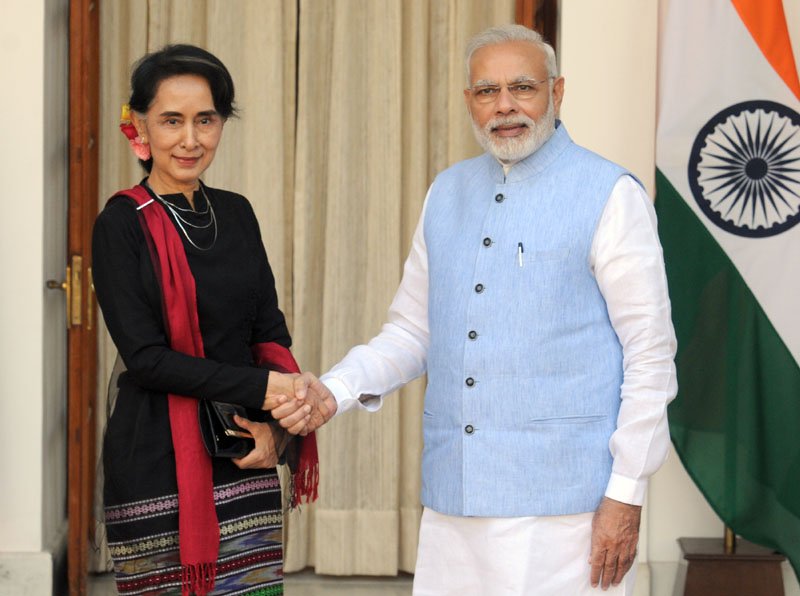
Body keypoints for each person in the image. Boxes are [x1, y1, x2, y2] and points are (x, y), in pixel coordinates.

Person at [284, 24, 678, 596]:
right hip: (455, 501)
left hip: (565, 511)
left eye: (523, 87)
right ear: (469, 101)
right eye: (486, 91)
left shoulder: (610, 194)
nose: (505, 106)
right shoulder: (447, 192)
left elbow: (651, 355)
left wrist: (626, 492)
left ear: (557, 92)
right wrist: (335, 390)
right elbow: (413, 331)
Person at [92, 44, 319, 596]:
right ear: (139, 126)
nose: (190, 139)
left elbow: (268, 333)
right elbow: (148, 361)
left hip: (244, 450)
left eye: (205, 120)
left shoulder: (236, 212)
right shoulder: (121, 224)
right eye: (172, 120)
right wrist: (266, 390)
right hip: (157, 461)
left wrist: (275, 429)